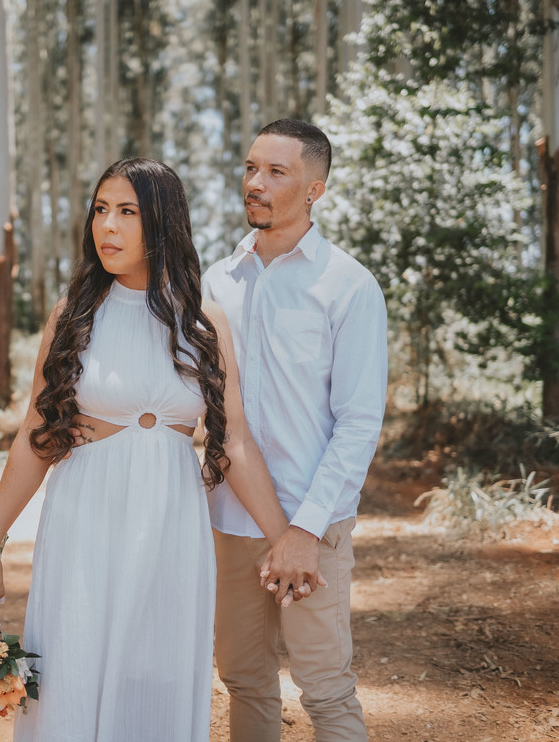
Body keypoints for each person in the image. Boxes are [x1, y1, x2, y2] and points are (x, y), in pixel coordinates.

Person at [0, 157, 305, 742]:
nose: (108, 226)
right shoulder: (74, 315)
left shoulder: (203, 322)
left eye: (127, 212)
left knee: (156, 677)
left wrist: (284, 537)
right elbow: (35, 434)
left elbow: (234, 441)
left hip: (171, 525)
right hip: (83, 520)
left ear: (162, 223)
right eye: (100, 210)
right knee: (71, 670)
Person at [203, 119, 388, 742]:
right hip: (231, 519)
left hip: (315, 525)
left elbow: (358, 423)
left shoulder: (348, 285)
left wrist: (304, 531)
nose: (255, 183)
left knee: (327, 690)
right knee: (243, 679)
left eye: (276, 172)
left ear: (315, 190)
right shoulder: (216, 282)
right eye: (251, 167)